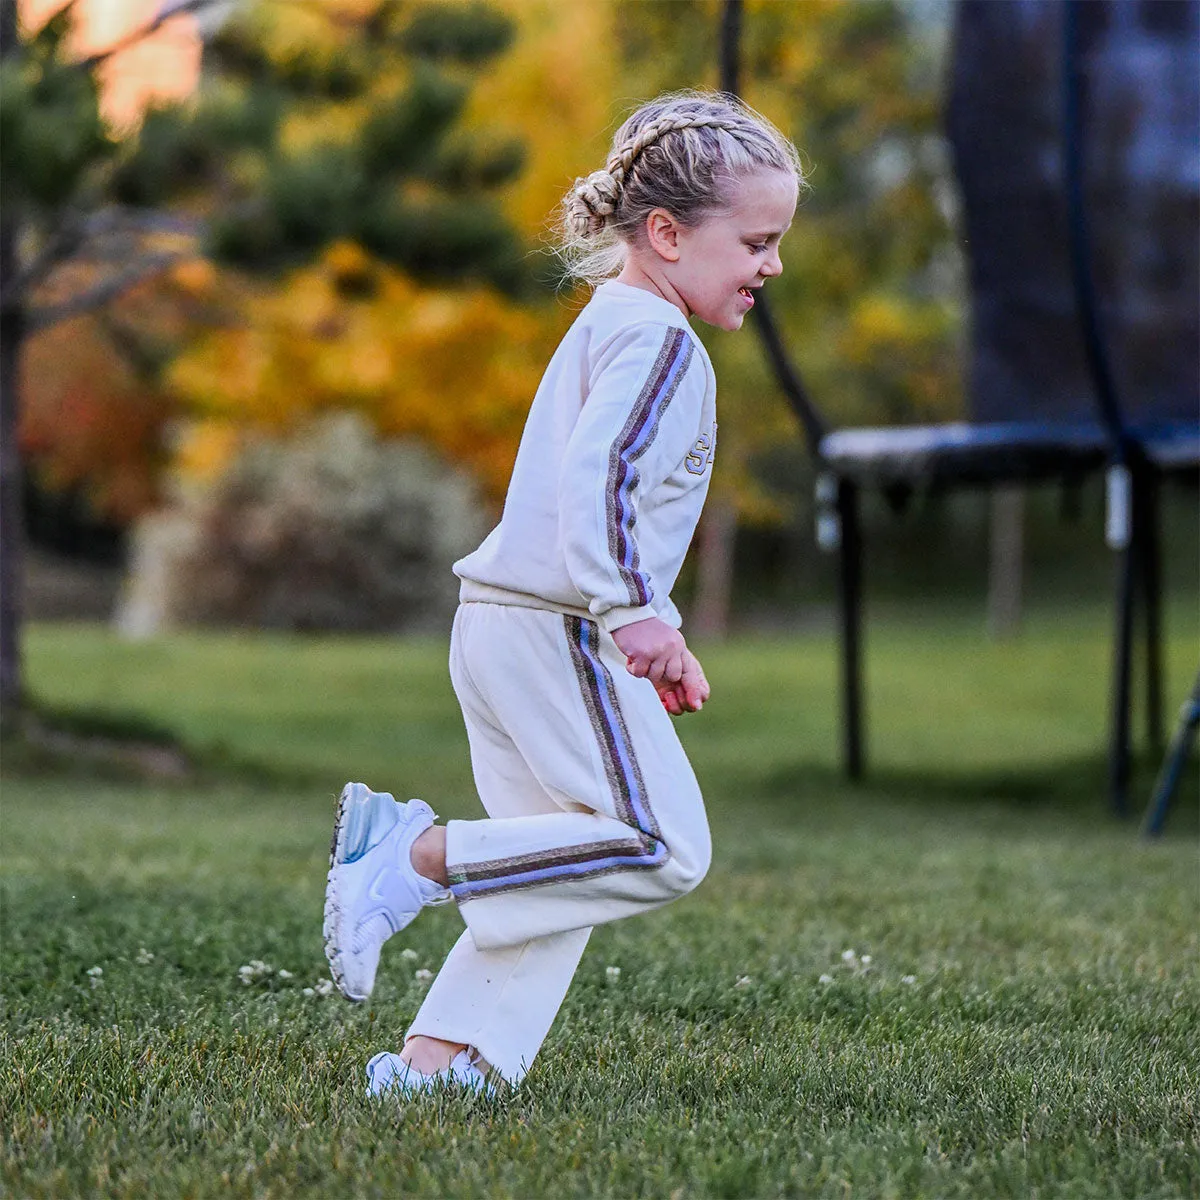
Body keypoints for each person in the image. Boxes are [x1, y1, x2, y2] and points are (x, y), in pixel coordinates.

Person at [322, 90, 803, 1097]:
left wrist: (660, 626)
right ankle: (416, 854)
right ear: (667, 234)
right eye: (757, 241)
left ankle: (442, 1067)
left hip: (506, 623)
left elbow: (591, 491)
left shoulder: (617, 324)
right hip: (561, 631)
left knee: (558, 870)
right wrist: (631, 611)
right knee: (660, 847)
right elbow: (604, 482)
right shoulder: (662, 342)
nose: (773, 265)